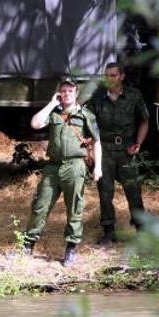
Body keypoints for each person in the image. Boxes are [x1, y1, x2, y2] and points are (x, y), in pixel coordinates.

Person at [22, 77, 103, 267]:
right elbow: (35, 123)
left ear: (76, 93)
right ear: (60, 93)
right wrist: (52, 104)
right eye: (63, 91)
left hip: (75, 166)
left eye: (70, 91)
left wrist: (98, 167)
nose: (66, 94)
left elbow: (97, 141)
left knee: (74, 208)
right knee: (40, 206)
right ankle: (27, 246)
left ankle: (71, 250)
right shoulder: (54, 113)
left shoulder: (85, 115)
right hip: (53, 167)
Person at [85, 63, 149, 245]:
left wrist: (138, 143)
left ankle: (141, 229)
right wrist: (89, 147)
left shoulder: (133, 95)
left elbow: (144, 121)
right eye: (107, 75)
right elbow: (87, 121)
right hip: (104, 150)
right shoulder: (98, 98)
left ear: (121, 76)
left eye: (113, 75)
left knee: (133, 191)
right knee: (105, 192)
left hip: (126, 150)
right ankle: (108, 231)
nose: (109, 79)